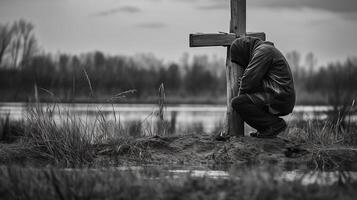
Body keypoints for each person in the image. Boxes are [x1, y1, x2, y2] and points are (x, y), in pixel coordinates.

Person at [217, 36, 295, 140]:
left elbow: (248, 81)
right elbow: (254, 81)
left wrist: (238, 106)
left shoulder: (263, 52)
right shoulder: (265, 49)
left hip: (279, 96)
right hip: (279, 95)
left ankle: (274, 124)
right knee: (244, 101)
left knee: (238, 103)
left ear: (243, 52)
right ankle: (266, 129)